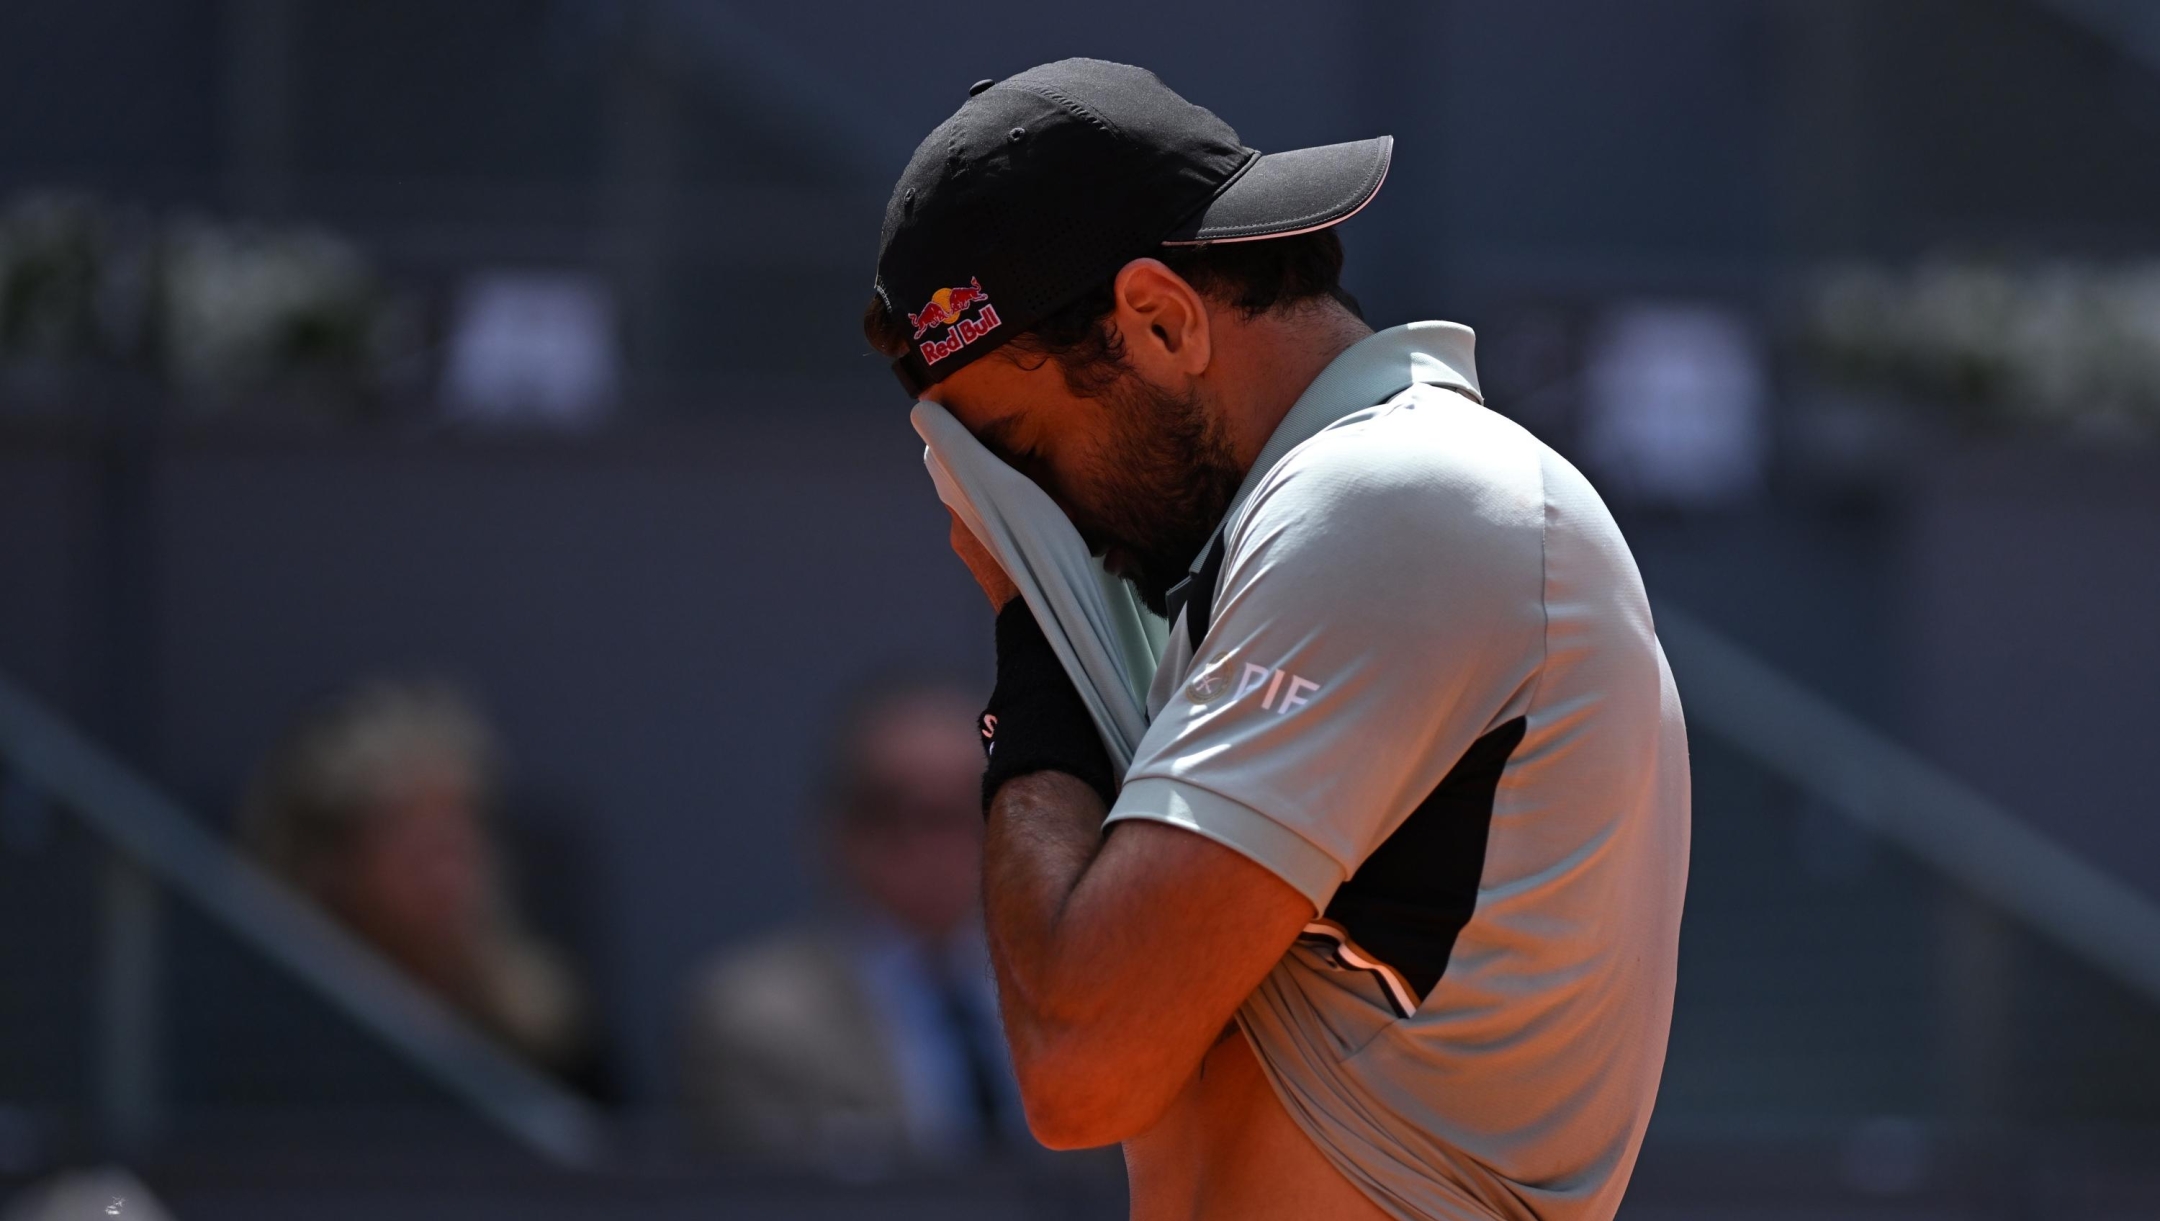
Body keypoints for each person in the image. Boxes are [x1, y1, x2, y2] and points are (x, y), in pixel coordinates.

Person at [861, 60, 1691, 1221]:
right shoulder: (1320, 533)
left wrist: (1031, 635)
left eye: (1027, 451)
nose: (1043, 523)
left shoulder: (1402, 494)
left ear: (1159, 320)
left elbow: (1081, 1064)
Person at [680, 680, 1024, 1166]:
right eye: (897, 813)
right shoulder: (755, 1019)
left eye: (973, 808)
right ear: (840, 828)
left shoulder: (1077, 993)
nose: (937, 846)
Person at [239, 678, 600, 1094]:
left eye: (459, 818)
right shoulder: (271, 1055)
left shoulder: (548, 1031)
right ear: (329, 864)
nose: (444, 853)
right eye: (404, 824)